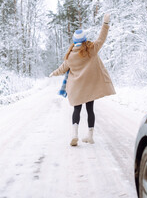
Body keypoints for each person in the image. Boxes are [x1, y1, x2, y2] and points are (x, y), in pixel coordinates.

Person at [49, 13, 116, 146]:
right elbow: (102, 38)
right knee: (90, 110)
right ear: (85, 40)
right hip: (90, 87)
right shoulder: (92, 49)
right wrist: (106, 24)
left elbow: (62, 69)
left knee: (76, 110)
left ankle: (74, 135)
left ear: (74, 41)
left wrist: (53, 73)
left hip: (76, 88)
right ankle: (90, 136)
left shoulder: (70, 56)